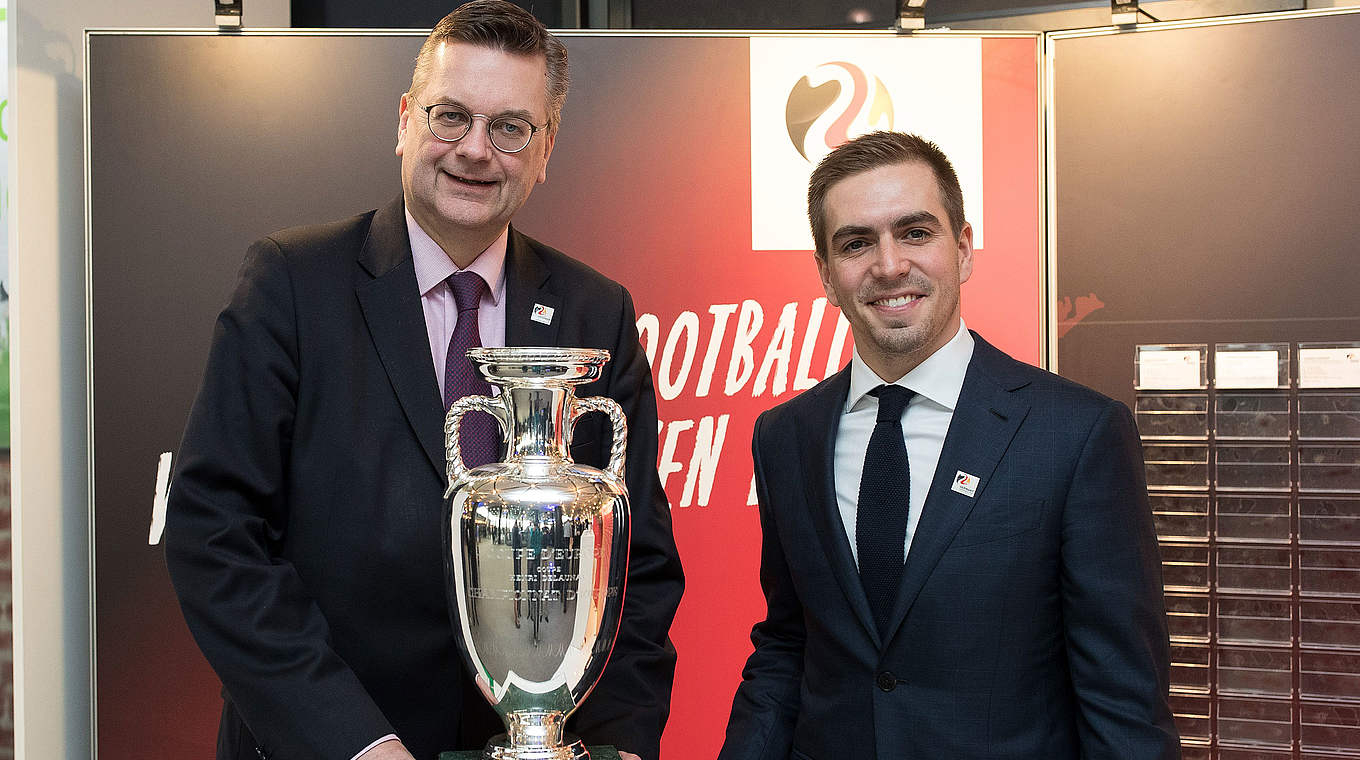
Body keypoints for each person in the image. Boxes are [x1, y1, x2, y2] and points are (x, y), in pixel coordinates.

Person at [164, 3, 683, 759]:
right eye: (451, 117)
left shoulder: (594, 312)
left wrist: (616, 743)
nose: (475, 149)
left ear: (545, 150)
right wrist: (354, 741)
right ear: (405, 121)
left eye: (510, 127)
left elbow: (640, 563)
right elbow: (215, 535)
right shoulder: (293, 284)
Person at [718, 132, 1179, 759]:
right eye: (856, 243)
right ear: (825, 273)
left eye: (915, 233)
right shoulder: (785, 436)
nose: (888, 265)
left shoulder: (1077, 435)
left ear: (962, 249)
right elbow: (788, 646)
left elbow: (1123, 701)